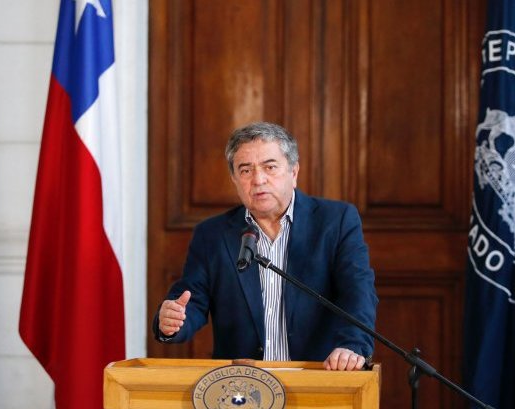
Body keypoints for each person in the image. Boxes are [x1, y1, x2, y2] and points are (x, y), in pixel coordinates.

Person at [154, 122, 378, 371]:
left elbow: (358, 291)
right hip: (241, 384)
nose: (258, 180)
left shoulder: (336, 221)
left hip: (317, 376)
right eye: (245, 170)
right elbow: (191, 301)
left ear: (294, 172)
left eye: (270, 167)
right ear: (234, 179)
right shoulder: (212, 235)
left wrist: (353, 345)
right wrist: (173, 319)